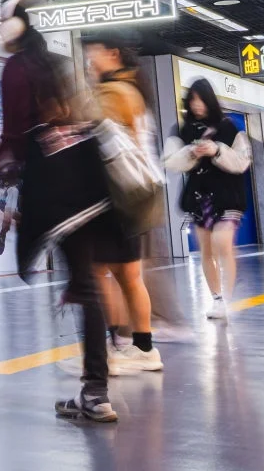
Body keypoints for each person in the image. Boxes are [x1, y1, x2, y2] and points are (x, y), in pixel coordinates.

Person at [0, 0, 122, 423]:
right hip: (88, 178)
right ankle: (96, 392)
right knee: (88, 284)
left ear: (15, 26)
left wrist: (7, 160)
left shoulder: (17, 68)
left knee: (83, 284)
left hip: (56, 181)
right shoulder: (56, 64)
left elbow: (15, 131)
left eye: (1, 22)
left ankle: (96, 392)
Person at [82, 35, 161, 372]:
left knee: (97, 273)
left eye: (92, 55)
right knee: (129, 275)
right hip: (138, 196)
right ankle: (144, 349)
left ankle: (110, 349)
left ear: (111, 53)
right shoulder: (133, 89)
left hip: (113, 197)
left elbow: (94, 139)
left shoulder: (113, 93)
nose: (89, 63)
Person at [162, 80, 252, 320]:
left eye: (201, 99)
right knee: (206, 250)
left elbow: (242, 161)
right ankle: (217, 298)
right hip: (199, 196)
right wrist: (191, 152)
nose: (197, 105)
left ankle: (226, 297)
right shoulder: (183, 130)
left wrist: (217, 151)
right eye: (192, 100)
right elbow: (170, 162)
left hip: (228, 195)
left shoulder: (229, 127)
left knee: (223, 243)